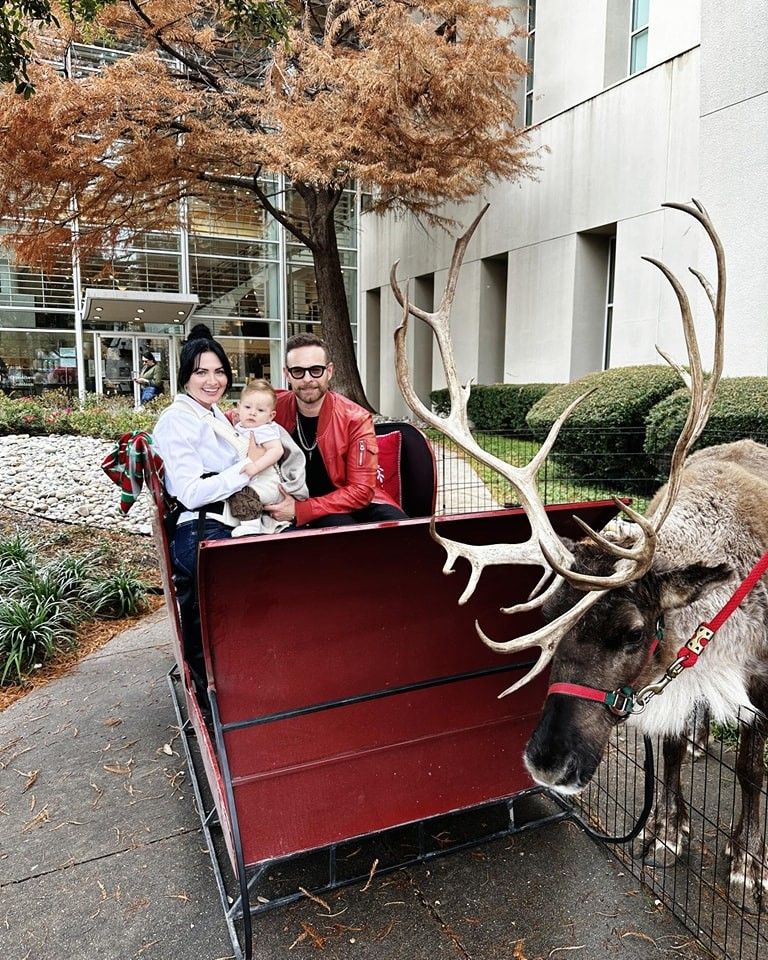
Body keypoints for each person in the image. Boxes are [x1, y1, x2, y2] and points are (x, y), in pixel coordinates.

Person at [152, 324, 265, 693]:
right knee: (233, 603)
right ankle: (210, 691)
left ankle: (250, 678)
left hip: (228, 520)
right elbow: (191, 492)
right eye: (201, 371)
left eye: (219, 371)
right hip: (199, 528)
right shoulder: (177, 419)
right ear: (186, 375)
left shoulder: (213, 414)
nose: (212, 380)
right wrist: (245, 469)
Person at [263, 333, 407, 528]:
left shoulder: (355, 418)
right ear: (287, 373)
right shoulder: (271, 407)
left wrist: (300, 510)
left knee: (398, 525)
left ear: (329, 371)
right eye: (298, 371)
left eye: (316, 370)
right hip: (299, 502)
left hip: (348, 498)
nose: (307, 379)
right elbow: (232, 417)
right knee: (339, 528)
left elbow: (361, 490)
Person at [227, 379, 308, 536]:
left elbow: (276, 451)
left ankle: (251, 526)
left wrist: (255, 466)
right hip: (251, 478)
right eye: (247, 407)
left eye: (260, 410)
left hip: (267, 482)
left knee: (244, 494)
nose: (252, 413)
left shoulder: (265, 430)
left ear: (271, 416)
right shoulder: (239, 427)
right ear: (238, 408)